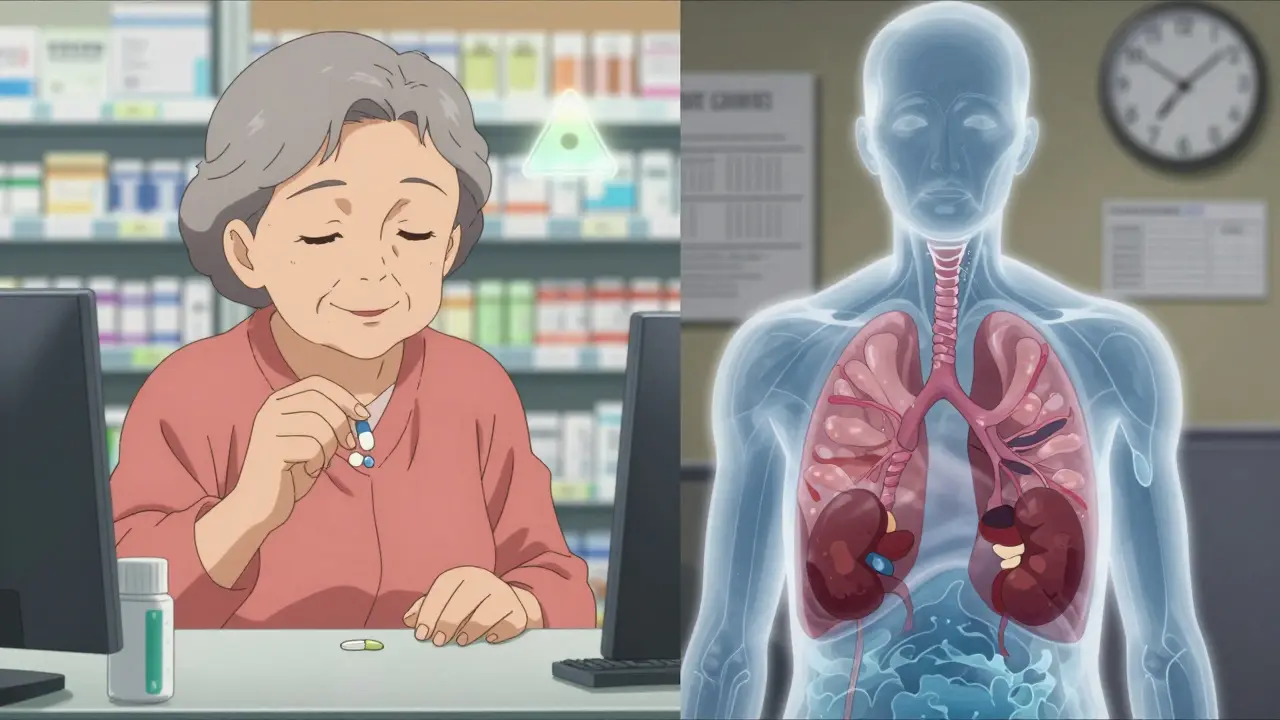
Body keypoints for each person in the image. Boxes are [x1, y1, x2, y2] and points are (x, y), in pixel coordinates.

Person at [682, 2, 1218, 719]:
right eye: (910, 126)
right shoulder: (781, 356)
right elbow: (728, 644)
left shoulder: (1113, 353)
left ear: (1022, 143)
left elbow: (1164, 645)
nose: (942, 159)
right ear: (870, 144)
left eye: (975, 126)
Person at [110, 31, 596, 644]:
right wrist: (244, 513)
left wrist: (517, 603)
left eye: (413, 233)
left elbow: (560, 581)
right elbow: (120, 605)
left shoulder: (476, 389)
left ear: (448, 247)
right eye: (322, 235)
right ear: (245, 250)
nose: (373, 269)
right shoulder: (189, 392)